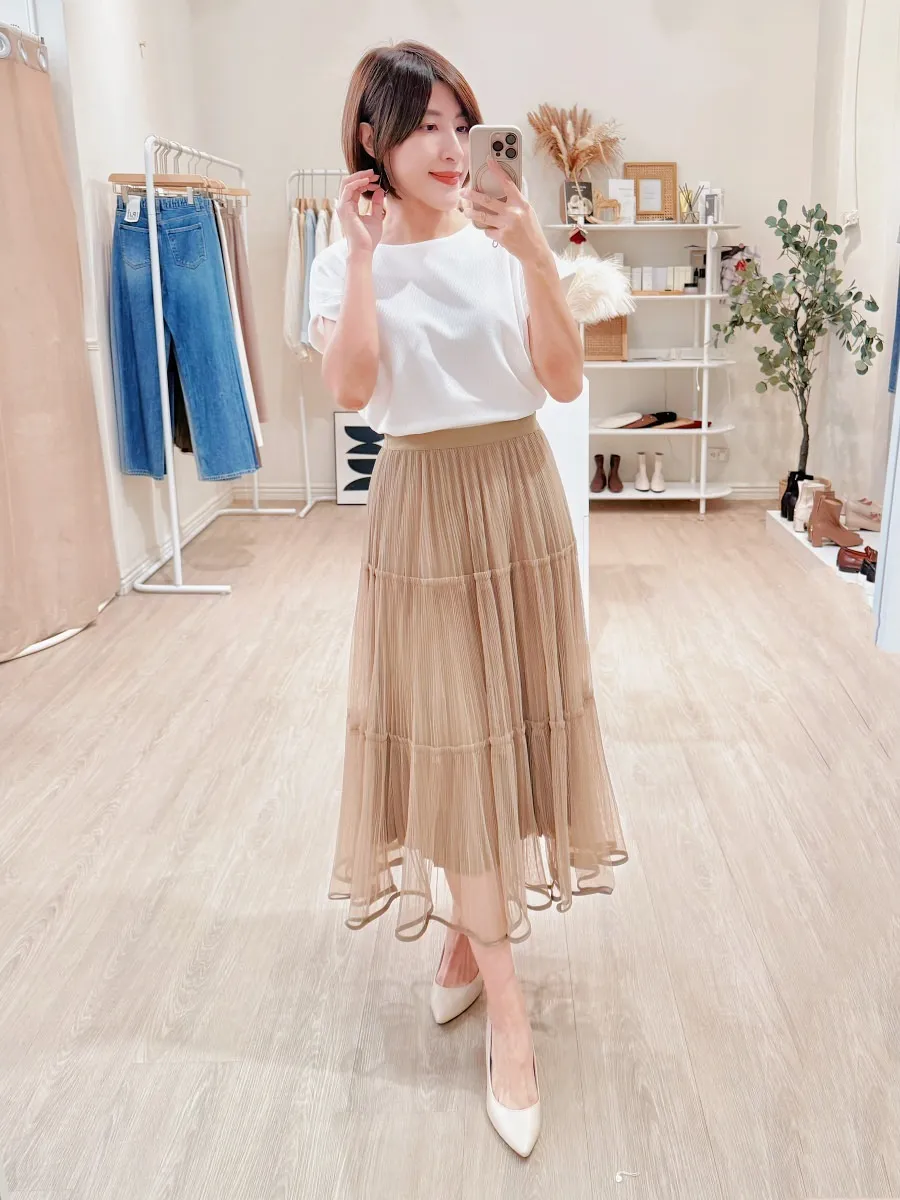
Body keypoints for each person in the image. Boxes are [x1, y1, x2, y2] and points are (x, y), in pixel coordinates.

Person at [308, 39, 629, 1158]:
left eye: (463, 124)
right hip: (422, 507)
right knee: (453, 737)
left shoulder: (504, 241)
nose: (451, 150)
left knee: (513, 734)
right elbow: (353, 389)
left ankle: (464, 940)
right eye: (425, 128)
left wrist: (535, 253)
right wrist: (360, 262)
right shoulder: (343, 257)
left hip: (517, 495)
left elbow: (564, 380)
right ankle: (511, 1019)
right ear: (374, 140)